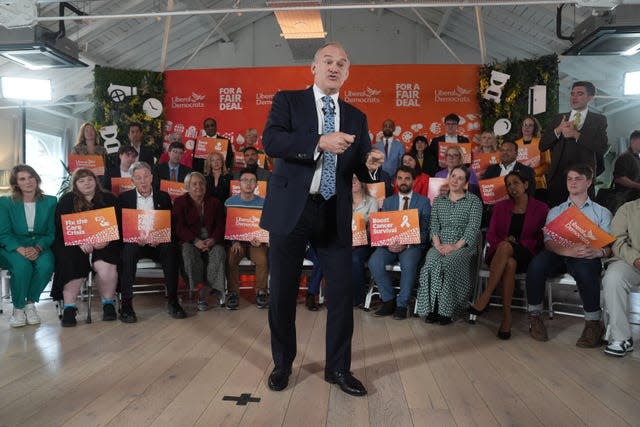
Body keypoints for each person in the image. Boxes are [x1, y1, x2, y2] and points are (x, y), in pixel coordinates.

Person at [260, 42, 384, 396]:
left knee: (344, 292)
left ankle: (339, 370)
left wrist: (370, 165)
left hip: (334, 210)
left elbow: (360, 163)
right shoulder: (288, 101)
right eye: (327, 61)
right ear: (313, 68)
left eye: (341, 63)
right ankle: (283, 365)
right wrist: (318, 142)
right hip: (291, 211)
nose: (334, 67)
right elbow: (272, 141)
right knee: (283, 292)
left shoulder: (357, 117)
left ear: (347, 73)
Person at [526, 164, 612, 347]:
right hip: (560, 253)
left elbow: (609, 247)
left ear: (588, 182)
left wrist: (599, 251)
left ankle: (593, 323)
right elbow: (548, 242)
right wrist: (568, 251)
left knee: (586, 268)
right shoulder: (556, 211)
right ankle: (534, 317)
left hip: (585, 256)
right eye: (569, 179)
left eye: (578, 178)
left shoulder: (602, 212)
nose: (572, 182)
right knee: (536, 265)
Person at [469, 171, 549, 339]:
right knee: (509, 262)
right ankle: (506, 318)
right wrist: (505, 241)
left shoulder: (541, 208)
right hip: (500, 254)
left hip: (527, 252)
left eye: (516, 183)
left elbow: (541, 238)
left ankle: (486, 296)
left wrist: (516, 244)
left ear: (525, 185)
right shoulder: (500, 207)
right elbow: (491, 234)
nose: (512, 187)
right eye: (509, 185)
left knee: (507, 249)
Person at [118, 161, 187, 322]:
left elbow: (169, 224)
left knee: (171, 249)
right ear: (132, 181)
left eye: (146, 177)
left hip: (157, 243)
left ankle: (173, 301)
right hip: (136, 242)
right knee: (128, 252)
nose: (143, 181)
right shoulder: (124, 198)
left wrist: (160, 237)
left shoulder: (163, 197)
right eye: (138, 178)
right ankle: (127, 306)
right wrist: (135, 237)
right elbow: (121, 227)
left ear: (151, 178)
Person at [51, 168, 120, 327]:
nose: (86, 183)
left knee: (106, 263)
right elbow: (61, 227)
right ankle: (69, 307)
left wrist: (106, 239)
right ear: (75, 184)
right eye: (81, 181)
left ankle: (108, 303)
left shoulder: (109, 198)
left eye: (89, 179)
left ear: (96, 181)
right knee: (70, 260)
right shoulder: (67, 200)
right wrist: (80, 242)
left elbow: (117, 224)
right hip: (75, 244)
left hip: (105, 242)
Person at [416, 165, 482, 324]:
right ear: (449, 177)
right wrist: (438, 245)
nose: (455, 180)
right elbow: (434, 226)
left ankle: (447, 310)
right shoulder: (439, 200)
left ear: (466, 182)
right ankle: (432, 308)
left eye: (460, 178)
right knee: (430, 263)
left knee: (448, 263)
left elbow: (473, 228)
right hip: (440, 243)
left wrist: (454, 247)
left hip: (462, 245)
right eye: (453, 176)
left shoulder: (474, 201)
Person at [369, 166, 431, 319]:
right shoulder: (388, 202)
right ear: (395, 181)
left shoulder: (423, 202)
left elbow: (425, 232)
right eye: (400, 178)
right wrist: (388, 243)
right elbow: (382, 229)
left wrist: (406, 243)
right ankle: (389, 300)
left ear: (414, 181)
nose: (403, 182)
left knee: (409, 264)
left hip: (411, 246)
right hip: (389, 245)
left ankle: (402, 305)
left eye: (407, 178)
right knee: (374, 262)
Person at [0, 165, 56, 327]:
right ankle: (18, 309)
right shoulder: (5, 202)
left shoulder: (51, 201)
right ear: (16, 183)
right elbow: (3, 233)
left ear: (36, 178)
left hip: (40, 244)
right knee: (22, 266)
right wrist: (20, 249)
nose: (28, 182)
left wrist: (38, 248)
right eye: (22, 179)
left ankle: (30, 304)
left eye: (31, 177)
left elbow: (51, 233)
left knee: (46, 265)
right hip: (12, 245)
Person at [540, 81, 608, 207]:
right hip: (558, 179)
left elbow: (601, 147)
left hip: (583, 180)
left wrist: (576, 135)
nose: (574, 97)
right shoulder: (558, 118)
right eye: (572, 94)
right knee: (556, 219)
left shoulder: (599, 120)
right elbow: (542, 145)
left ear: (590, 98)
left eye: (580, 94)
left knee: (581, 220)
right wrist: (558, 130)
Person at [172, 172, 226, 311]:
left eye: (201, 183)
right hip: (190, 239)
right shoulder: (180, 202)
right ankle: (199, 288)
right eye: (194, 184)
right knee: (187, 252)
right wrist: (195, 241)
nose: (198, 186)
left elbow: (221, 226)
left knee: (219, 252)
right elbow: (179, 227)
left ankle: (207, 291)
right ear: (187, 187)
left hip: (211, 239)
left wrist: (213, 240)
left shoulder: (215, 202)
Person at [224, 168, 269, 310]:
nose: (248, 183)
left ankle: (261, 292)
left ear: (256, 184)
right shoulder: (230, 202)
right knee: (231, 258)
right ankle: (232, 293)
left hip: (256, 242)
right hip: (237, 243)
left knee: (262, 259)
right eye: (245, 180)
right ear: (239, 183)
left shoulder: (263, 203)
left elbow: (267, 225)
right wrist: (234, 241)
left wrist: (262, 239)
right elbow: (227, 226)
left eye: (252, 181)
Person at [601, 198, 639, 357]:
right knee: (613, 278)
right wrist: (636, 259)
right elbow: (617, 241)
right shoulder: (628, 209)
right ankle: (621, 338)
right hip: (631, 261)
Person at [351, 174, 379, 307]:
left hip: (364, 242)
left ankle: (359, 297)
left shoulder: (371, 201)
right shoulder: (343, 201)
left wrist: (358, 237)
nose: (353, 181)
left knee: (355, 259)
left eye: (356, 178)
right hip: (346, 242)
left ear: (362, 181)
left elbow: (372, 228)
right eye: (350, 179)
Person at [516, 115, 550, 195]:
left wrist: (531, 173)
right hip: (519, 185)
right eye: (525, 125)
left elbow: (547, 165)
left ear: (535, 128)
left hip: (538, 184)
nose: (527, 127)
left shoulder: (542, 143)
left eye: (530, 125)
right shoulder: (515, 144)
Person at [611, 130, 640, 205]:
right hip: (625, 199)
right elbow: (619, 178)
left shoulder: (636, 158)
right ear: (633, 141)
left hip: (634, 198)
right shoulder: (625, 157)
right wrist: (637, 186)